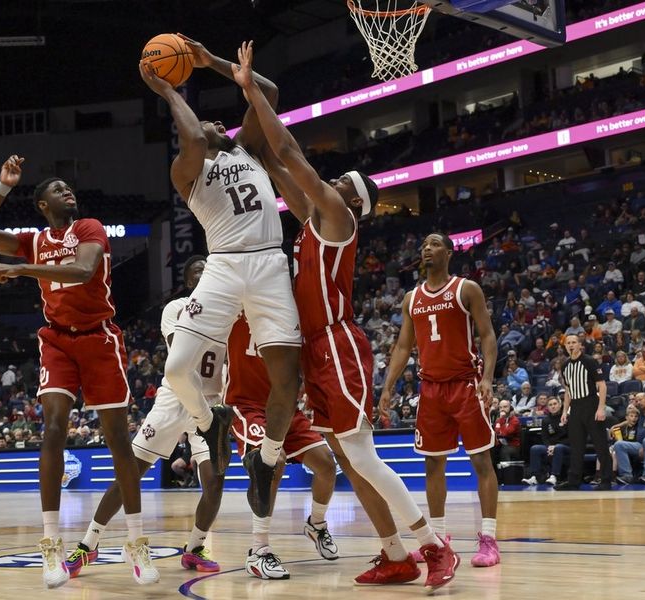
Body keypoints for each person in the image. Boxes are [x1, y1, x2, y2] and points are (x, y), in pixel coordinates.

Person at [232, 42, 457, 591]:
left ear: (350, 199)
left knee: (359, 454)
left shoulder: (336, 216)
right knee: (352, 462)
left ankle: (434, 545)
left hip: (336, 344)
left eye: (338, 183)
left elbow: (286, 151)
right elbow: (277, 166)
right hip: (315, 348)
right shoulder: (314, 219)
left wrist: (250, 90)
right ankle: (395, 554)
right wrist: (248, 147)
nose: (326, 184)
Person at [0, 156, 157, 588]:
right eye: (56, 189)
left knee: (119, 444)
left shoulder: (88, 227)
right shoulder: (33, 240)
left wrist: (21, 269)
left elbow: (82, 270)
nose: (66, 191)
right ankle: (51, 545)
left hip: (100, 339)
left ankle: (137, 543)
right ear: (41, 205)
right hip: (57, 340)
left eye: (68, 187)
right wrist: (2, 188)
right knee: (53, 428)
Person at [139, 37, 302, 515]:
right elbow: (191, 138)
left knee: (286, 382)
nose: (216, 123)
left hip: (271, 263)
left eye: (217, 120)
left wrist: (211, 62)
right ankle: (208, 422)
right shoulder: (186, 171)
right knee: (175, 369)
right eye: (209, 120)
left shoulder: (247, 149)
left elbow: (267, 94)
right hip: (225, 265)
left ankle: (267, 459)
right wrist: (169, 90)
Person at [68, 255, 227, 577]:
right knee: (131, 472)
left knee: (215, 481)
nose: (205, 272)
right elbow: (178, 354)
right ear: (188, 281)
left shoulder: (231, 310)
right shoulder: (177, 308)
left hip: (211, 403)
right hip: (176, 398)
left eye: (210, 269)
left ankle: (194, 547)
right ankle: (89, 543)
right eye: (198, 270)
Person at [381, 231, 500, 569]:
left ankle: (489, 539)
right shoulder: (411, 298)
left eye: (433, 244)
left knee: (481, 462)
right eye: (423, 245)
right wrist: (388, 386)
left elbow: (487, 335)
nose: (426, 249)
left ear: (449, 253)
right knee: (433, 463)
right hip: (430, 389)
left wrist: (488, 378)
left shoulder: (467, 289)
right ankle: (437, 539)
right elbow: (404, 347)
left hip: (465, 384)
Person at [226, 314, 340, 579]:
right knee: (270, 465)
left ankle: (317, 524)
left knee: (326, 464)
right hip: (248, 405)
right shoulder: (234, 303)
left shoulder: (288, 309)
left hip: (286, 406)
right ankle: (258, 550)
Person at [555, 334, 613, 490]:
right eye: (568, 343)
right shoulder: (565, 365)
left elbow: (602, 385)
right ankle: (573, 481)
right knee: (576, 446)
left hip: (591, 403)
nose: (571, 345)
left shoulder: (589, 361)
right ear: (565, 346)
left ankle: (606, 480)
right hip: (576, 407)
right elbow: (568, 391)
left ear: (580, 345)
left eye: (574, 342)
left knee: (600, 444)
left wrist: (601, 408)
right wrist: (565, 411)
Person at [611, 393, 645, 485]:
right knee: (619, 445)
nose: (638, 402)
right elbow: (629, 419)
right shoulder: (640, 412)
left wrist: (644, 448)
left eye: (641, 400)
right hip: (640, 444)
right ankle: (627, 475)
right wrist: (616, 426)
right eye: (637, 401)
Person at [522, 397, 570, 486]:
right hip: (551, 446)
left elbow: (571, 437)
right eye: (550, 405)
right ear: (547, 407)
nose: (553, 406)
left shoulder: (567, 417)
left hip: (566, 446)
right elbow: (544, 437)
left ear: (560, 405)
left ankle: (554, 476)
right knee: (535, 448)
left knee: (558, 448)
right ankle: (535, 477)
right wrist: (549, 447)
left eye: (555, 404)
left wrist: (555, 446)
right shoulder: (546, 420)